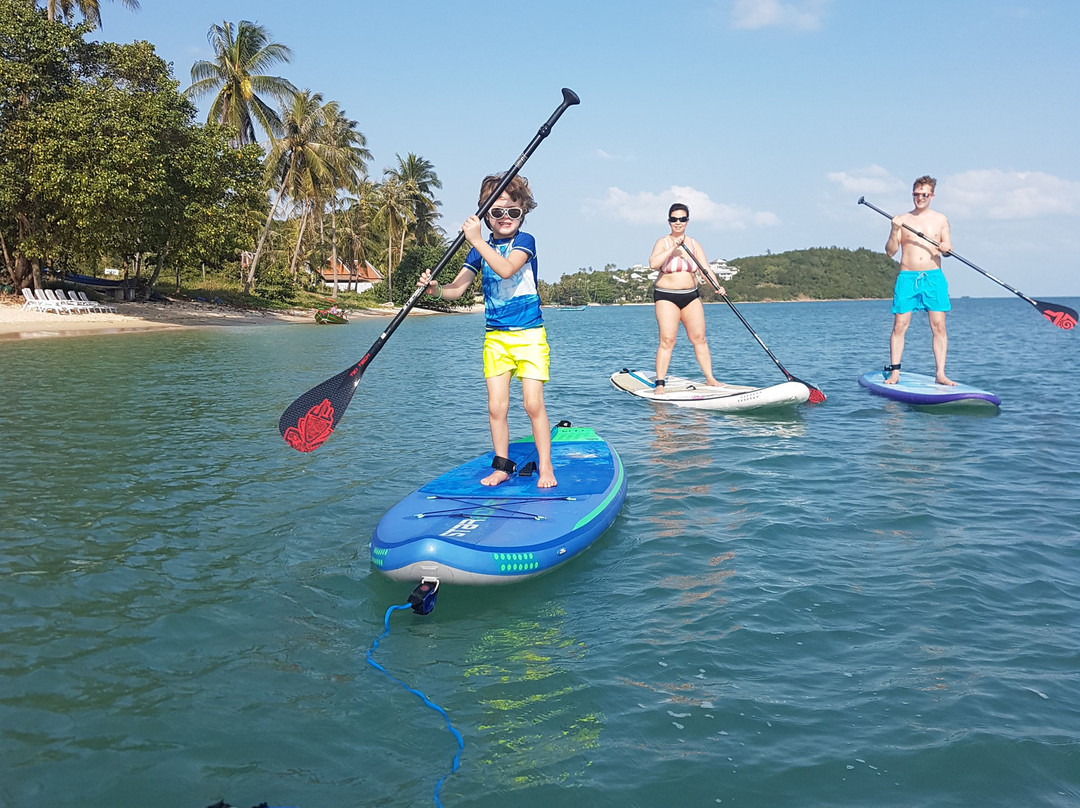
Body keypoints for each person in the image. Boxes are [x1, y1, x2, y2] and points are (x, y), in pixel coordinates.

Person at [418, 173, 557, 488]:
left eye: (513, 211)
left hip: (530, 336)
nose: (505, 218)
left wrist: (477, 240)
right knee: (496, 406)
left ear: (523, 211)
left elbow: (507, 268)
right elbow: (457, 289)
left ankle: (546, 467)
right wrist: (435, 289)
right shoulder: (478, 250)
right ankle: (501, 466)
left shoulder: (525, 242)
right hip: (495, 338)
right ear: (485, 214)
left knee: (532, 404)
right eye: (496, 212)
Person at [884, 175, 955, 385]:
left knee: (939, 326)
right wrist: (894, 229)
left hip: (933, 277)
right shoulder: (902, 220)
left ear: (932, 195)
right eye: (916, 194)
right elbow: (890, 252)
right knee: (899, 325)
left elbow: (948, 248)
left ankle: (940, 374)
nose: (920, 198)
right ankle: (895, 372)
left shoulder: (941, 219)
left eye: (924, 194)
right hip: (907, 278)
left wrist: (946, 249)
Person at [648, 203, 725, 393]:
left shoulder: (693, 243)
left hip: (691, 296)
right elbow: (653, 263)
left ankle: (710, 378)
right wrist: (673, 247)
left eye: (682, 219)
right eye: (674, 219)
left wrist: (717, 286)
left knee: (699, 338)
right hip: (666, 296)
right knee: (668, 340)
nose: (678, 222)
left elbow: (704, 269)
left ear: (687, 221)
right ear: (669, 221)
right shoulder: (663, 242)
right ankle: (660, 383)